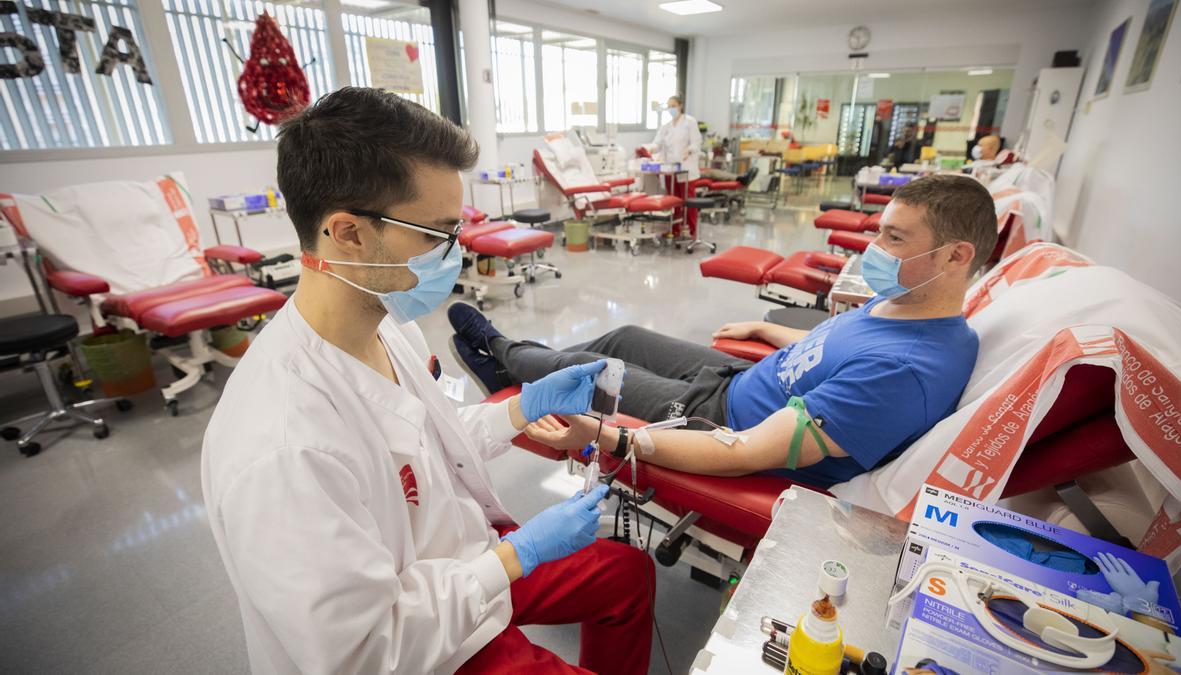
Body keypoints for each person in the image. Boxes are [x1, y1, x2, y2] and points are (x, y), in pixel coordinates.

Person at [201, 87, 654, 675]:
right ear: (349, 233)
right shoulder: (284, 447)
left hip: (459, 561)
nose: (455, 253)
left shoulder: (386, 325)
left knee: (627, 574)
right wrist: (519, 554)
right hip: (422, 644)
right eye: (436, 234)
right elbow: (367, 650)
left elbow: (420, 442)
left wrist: (521, 410)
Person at [450, 174, 996, 488]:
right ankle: (521, 363)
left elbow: (745, 453)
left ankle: (499, 352)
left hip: (719, 420)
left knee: (584, 372)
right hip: (740, 377)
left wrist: (604, 435)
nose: (876, 250)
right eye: (880, 232)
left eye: (895, 239)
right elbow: (832, 351)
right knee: (622, 337)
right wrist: (764, 327)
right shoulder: (903, 304)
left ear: (955, 255)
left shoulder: (905, 374)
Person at [646, 94, 702, 238]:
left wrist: (689, 150)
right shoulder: (666, 127)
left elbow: (696, 142)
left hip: (686, 169)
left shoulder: (690, 122)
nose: (671, 109)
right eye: (669, 106)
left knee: (688, 201)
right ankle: (675, 229)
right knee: (674, 201)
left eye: (673, 106)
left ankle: (692, 230)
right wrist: (650, 148)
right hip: (671, 170)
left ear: (680, 106)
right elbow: (657, 143)